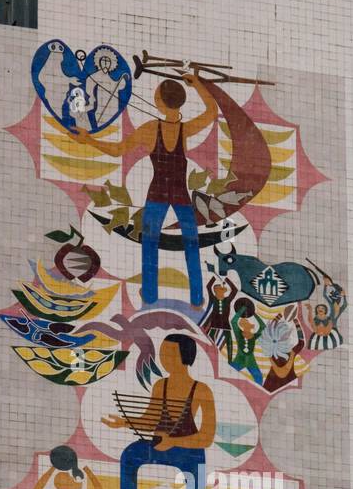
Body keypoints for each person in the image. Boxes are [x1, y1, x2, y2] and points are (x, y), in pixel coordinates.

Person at [77, 72, 218, 307]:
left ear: (161, 102)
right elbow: (211, 112)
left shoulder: (151, 129)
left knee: (150, 243)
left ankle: (150, 295)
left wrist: (89, 140)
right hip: (180, 195)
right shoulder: (184, 129)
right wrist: (198, 85)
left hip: (158, 193)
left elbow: (117, 150)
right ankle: (197, 298)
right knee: (191, 244)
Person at [102, 333, 257, 489]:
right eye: (163, 353)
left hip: (190, 455)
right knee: (131, 454)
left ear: (185, 356)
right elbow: (151, 419)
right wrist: (123, 422)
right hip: (159, 448)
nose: (164, 358)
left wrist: (172, 441)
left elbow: (206, 437)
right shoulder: (161, 385)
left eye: (170, 353)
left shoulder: (201, 391)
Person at [199, 273, 239, 358]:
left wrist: (227, 280)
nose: (222, 290)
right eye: (219, 289)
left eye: (222, 289)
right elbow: (208, 287)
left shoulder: (227, 300)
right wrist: (214, 276)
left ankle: (230, 358)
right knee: (210, 340)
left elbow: (234, 290)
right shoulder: (213, 299)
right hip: (215, 323)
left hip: (225, 324)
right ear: (215, 291)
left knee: (229, 341)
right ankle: (207, 355)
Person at [230, 298, 265, 384]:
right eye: (244, 324)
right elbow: (233, 321)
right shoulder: (239, 334)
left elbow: (263, 326)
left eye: (247, 323)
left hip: (251, 361)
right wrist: (242, 310)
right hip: (239, 360)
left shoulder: (253, 336)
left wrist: (254, 314)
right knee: (229, 372)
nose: (246, 325)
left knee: (259, 378)